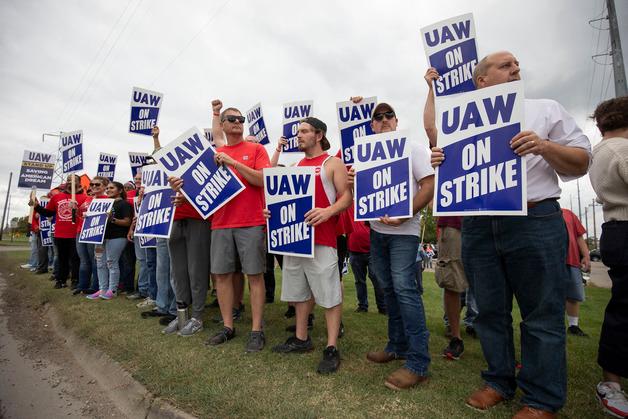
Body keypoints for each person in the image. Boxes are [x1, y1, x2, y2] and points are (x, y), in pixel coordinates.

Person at [431, 51, 591, 418]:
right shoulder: (460, 121)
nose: (516, 69)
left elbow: (582, 161)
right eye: (506, 65)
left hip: (535, 220)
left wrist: (544, 146)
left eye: (517, 64)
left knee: (541, 312)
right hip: (479, 225)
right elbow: (450, 170)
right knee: (489, 310)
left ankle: (541, 399)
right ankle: (498, 381)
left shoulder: (545, 109)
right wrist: (443, 160)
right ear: (481, 81)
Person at [350, 97, 434, 390]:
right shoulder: (365, 156)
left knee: (404, 289)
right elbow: (361, 195)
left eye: (390, 115)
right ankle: (396, 344)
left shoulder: (413, 149)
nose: (384, 119)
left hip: (405, 232)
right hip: (377, 233)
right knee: (388, 289)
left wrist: (406, 213)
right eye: (378, 116)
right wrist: (353, 180)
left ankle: (418, 362)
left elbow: (429, 186)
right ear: (372, 125)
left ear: (397, 122)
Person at [270, 117, 351, 374]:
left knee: (328, 295)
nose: (299, 136)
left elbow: (347, 197)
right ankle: (301, 338)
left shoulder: (332, 163)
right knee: (299, 293)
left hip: (323, 240)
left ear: (319, 134)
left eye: (304, 131)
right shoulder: (295, 165)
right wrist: (271, 213)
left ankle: (331, 347)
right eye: (298, 132)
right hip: (296, 241)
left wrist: (328, 212)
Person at [200, 100, 270, 352]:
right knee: (222, 275)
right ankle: (228, 326)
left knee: (254, 275)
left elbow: (263, 180)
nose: (238, 123)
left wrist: (235, 164)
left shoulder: (256, 149)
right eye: (233, 120)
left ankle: (256, 330)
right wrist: (216, 113)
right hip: (221, 223)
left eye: (241, 120)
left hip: (250, 221)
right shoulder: (215, 151)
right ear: (222, 125)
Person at [423, 66, 472, 360]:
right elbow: (431, 128)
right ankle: (455, 336)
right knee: (452, 281)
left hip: (492, 219)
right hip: (454, 222)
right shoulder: (449, 142)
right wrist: (431, 89)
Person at [588, 96, 628, 418]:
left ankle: (611, 382)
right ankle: (611, 384)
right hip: (625, 225)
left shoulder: (600, 151)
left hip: (615, 228)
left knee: (622, 306)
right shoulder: (621, 150)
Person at [31, 174, 87, 289]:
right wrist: (37, 207)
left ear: (79, 183)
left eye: (73, 180)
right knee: (62, 258)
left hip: (76, 234)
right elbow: (49, 213)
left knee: (75, 258)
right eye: (68, 180)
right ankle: (61, 280)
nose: (70, 182)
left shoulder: (85, 198)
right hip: (60, 233)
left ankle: (75, 280)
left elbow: (86, 215)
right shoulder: (57, 197)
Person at [87, 181, 133, 300]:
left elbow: (127, 222)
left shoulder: (124, 204)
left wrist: (112, 220)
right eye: (107, 188)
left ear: (120, 190)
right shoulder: (102, 203)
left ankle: (112, 290)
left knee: (111, 262)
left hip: (117, 237)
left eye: (111, 188)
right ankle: (102, 289)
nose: (108, 190)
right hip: (100, 237)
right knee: (100, 263)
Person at [74, 176, 109, 295]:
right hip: (80, 231)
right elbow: (79, 216)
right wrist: (76, 210)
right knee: (83, 260)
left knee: (95, 260)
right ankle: (82, 285)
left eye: (97, 185)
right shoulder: (87, 199)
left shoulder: (107, 199)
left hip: (94, 233)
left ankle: (95, 286)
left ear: (104, 186)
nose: (94, 186)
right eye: (92, 184)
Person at [347, 206, 386, 314]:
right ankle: (362, 306)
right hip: (354, 250)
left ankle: (382, 307)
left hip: (372, 250)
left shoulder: (371, 203)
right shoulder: (349, 204)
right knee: (359, 281)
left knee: (377, 279)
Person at [560, 208, 590, 337]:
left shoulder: (568, 213)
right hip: (550, 261)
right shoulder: (539, 211)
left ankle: (573, 326)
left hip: (572, 259)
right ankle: (553, 325)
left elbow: (579, 236)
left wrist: (586, 255)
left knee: (573, 296)